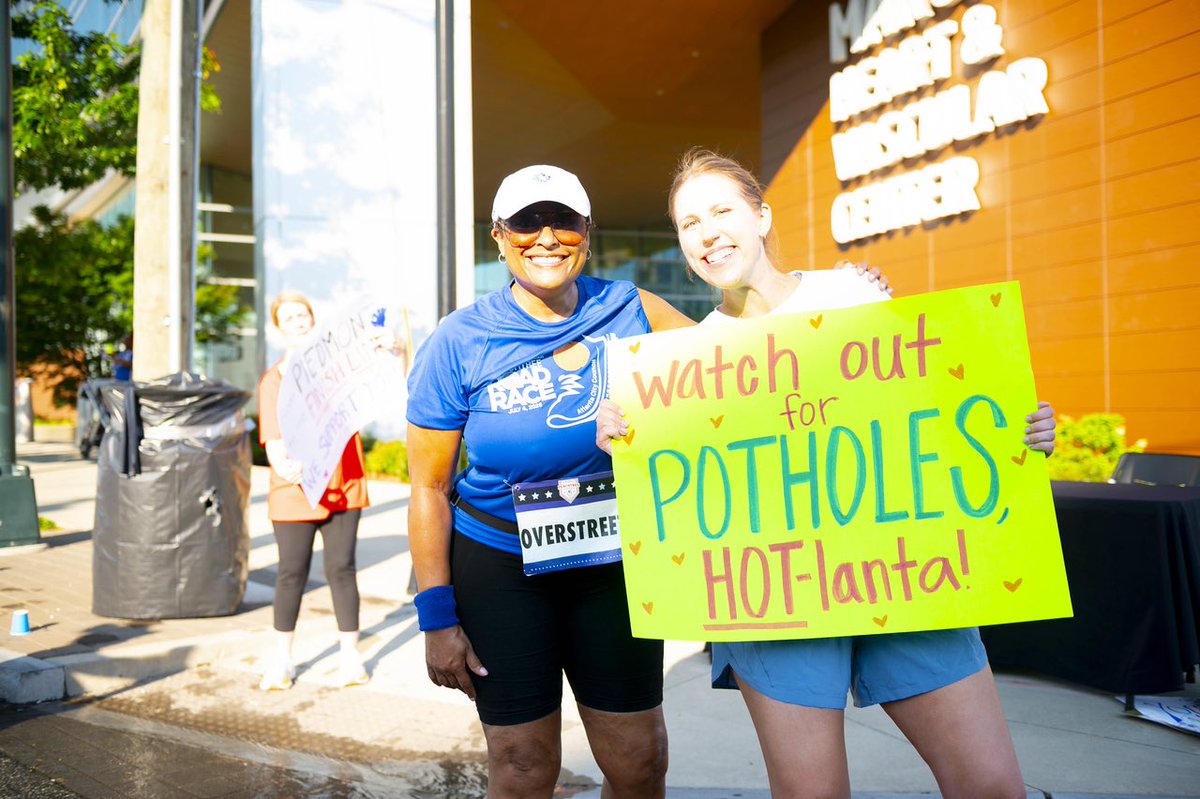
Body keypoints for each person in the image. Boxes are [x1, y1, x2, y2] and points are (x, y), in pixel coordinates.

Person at [597, 149, 1057, 799]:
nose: (706, 232)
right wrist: (627, 438)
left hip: (906, 574)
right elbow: (682, 491)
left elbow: (933, 412)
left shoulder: (852, 292)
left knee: (991, 786)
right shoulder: (685, 365)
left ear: (762, 216)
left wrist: (1016, 429)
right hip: (774, 598)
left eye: (722, 210)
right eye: (688, 223)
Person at [405, 165, 702, 799]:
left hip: (613, 565)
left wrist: (836, 295)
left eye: (563, 221)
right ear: (499, 236)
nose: (546, 236)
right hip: (499, 567)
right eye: (526, 223)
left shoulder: (631, 307)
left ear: (586, 233)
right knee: (521, 768)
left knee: (641, 763)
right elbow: (428, 489)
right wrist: (437, 617)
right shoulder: (459, 340)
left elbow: (736, 365)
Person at [257, 291, 371, 691]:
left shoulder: (340, 371)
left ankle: (350, 659)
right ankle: (282, 660)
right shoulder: (273, 380)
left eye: (302, 315)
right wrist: (287, 464)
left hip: (344, 483)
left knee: (342, 569)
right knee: (290, 574)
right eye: (289, 318)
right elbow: (273, 444)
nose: (298, 322)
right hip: (295, 490)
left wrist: (389, 346)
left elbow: (374, 385)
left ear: (313, 318)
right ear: (279, 328)